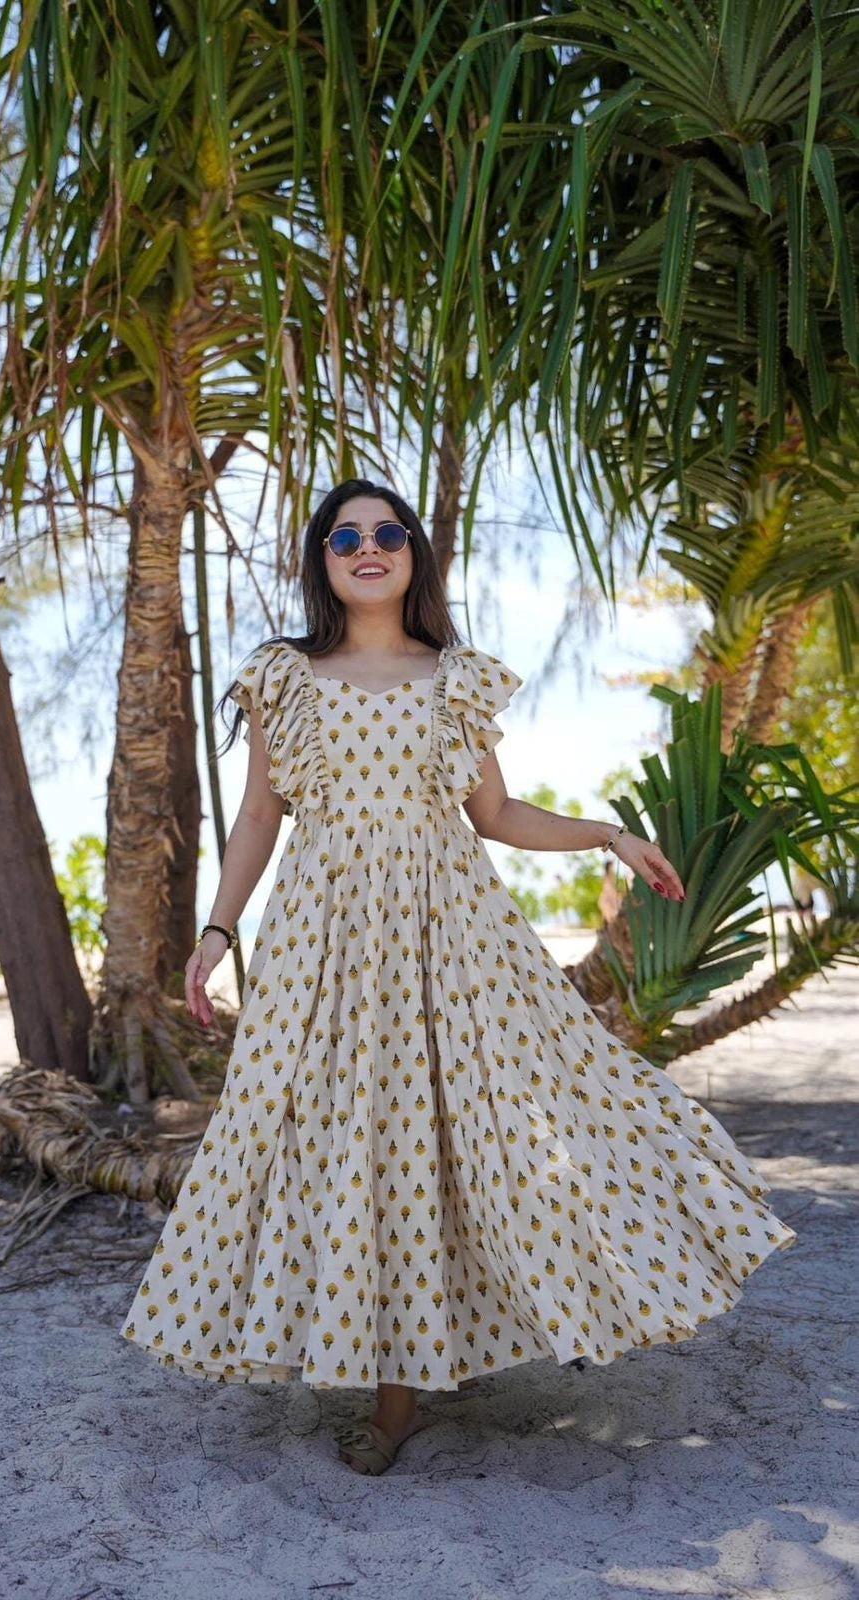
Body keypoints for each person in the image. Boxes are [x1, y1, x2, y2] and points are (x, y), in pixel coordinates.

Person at [120, 479, 798, 1476]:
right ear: (321, 560)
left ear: (412, 557)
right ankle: (376, 1362)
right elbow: (261, 816)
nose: (368, 546)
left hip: (452, 940)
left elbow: (498, 815)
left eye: (388, 532)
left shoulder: (456, 678)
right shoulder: (285, 678)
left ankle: (411, 1383)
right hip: (325, 944)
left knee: (463, 1126)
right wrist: (217, 928)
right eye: (345, 535)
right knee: (333, 1134)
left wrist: (608, 835)